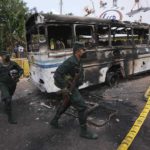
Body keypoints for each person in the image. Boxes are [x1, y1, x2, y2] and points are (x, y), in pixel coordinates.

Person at [50, 42, 98, 139]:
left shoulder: (78, 60)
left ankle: (54, 121)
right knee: (82, 107)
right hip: (69, 87)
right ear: (78, 51)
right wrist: (65, 87)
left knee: (67, 103)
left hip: (73, 86)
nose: (85, 51)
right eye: (83, 50)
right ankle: (84, 132)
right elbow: (57, 74)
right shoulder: (71, 61)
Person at [0, 51, 23, 124]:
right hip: (3, 84)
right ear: (1, 57)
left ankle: (4, 98)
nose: (6, 56)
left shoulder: (13, 63)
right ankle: (10, 118)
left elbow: (21, 70)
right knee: (8, 99)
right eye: (4, 55)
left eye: (7, 55)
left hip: (13, 84)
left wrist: (18, 75)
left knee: (9, 96)